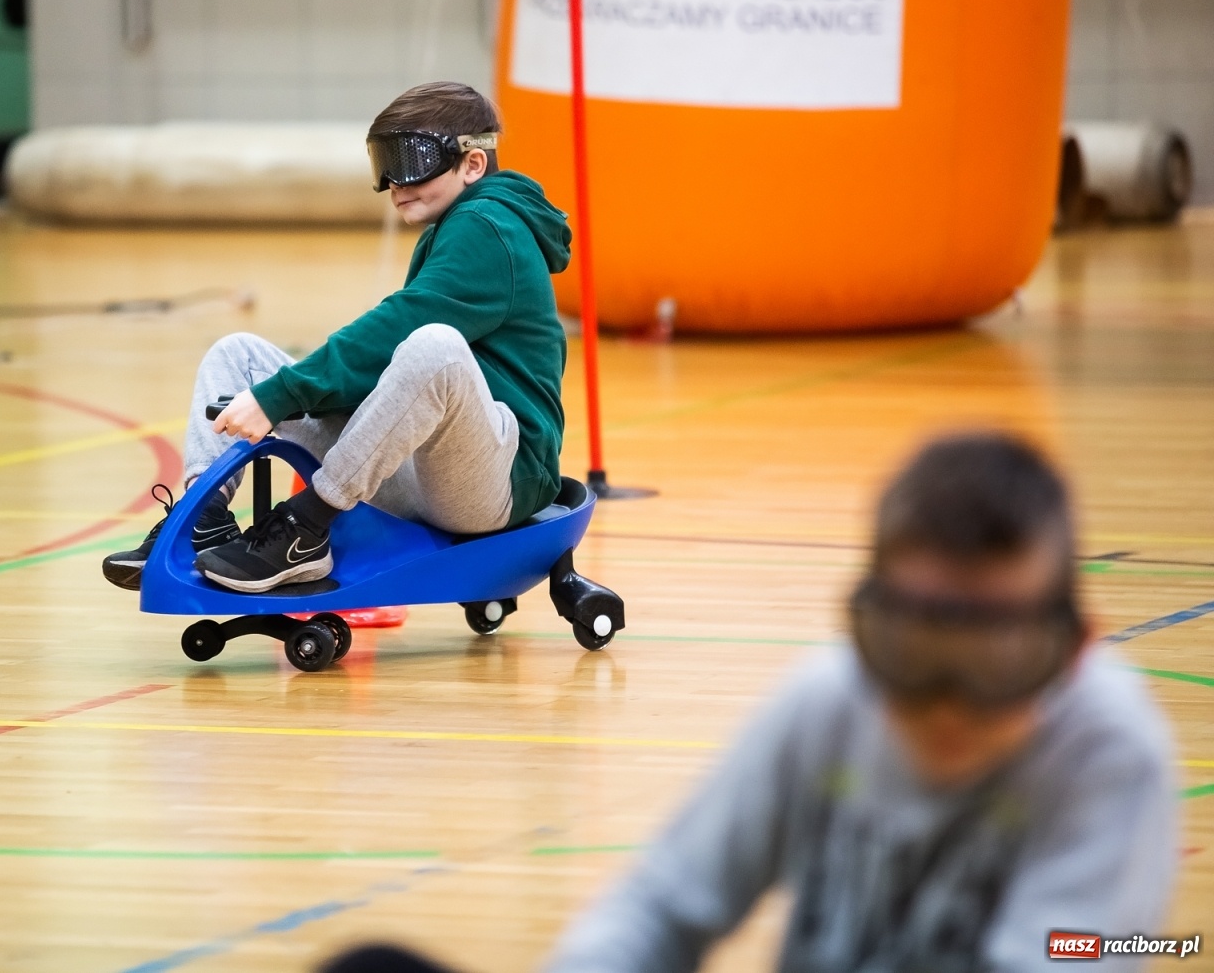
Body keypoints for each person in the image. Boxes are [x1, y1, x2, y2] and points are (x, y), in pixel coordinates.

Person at [544, 432, 1179, 972]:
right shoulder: (828, 704)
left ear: (1073, 651)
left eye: (997, 663)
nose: (949, 707)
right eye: (914, 654)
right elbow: (660, 906)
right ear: (864, 629)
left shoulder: (1109, 754)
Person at [102, 81, 570, 594]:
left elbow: (403, 327)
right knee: (237, 356)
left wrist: (283, 395)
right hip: (421, 467)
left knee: (433, 346)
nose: (395, 182)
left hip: (492, 481)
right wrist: (286, 391)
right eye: (384, 163)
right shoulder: (458, 221)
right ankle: (201, 521)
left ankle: (306, 528)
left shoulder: (490, 227)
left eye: (412, 160)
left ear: (472, 164)